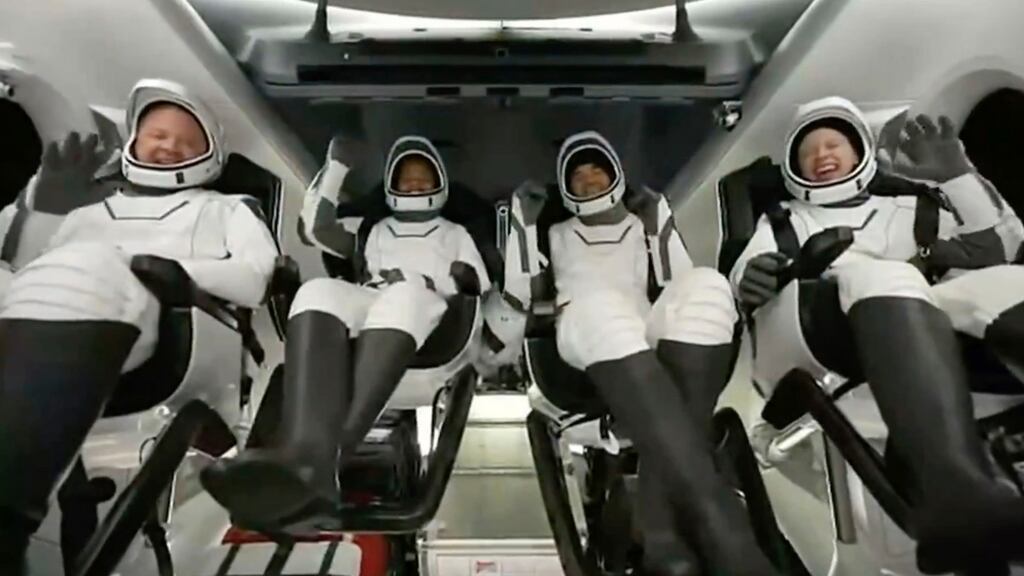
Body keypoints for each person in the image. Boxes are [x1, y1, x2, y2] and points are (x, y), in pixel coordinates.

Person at [731, 95, 1024, 574]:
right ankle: (955, 490)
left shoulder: (915, 203)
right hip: (831, 341)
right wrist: (750, 279)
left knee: (1009, 280)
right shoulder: (785, 221)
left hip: (936, 331)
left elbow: (1001, 248)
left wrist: (957, 176)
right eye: (808, 150)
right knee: (885, 275)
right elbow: (746, 278)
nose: (822, 155)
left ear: (859, 151)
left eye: (834, 144)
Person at [0, 78, 279, 575]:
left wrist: (153, 268)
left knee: (89, 266)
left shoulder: (227, 209)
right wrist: (44, 209)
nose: (170, 145)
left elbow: (255, 279)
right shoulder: (85, 212)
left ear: (210, 155)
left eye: (186, 140)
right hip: (57, 320)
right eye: (157, 134)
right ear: (133, 141)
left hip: (177, 329)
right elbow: (26, 275)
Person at [499, 130, 780, 576]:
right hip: (583, 324)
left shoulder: (638, 225)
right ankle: (720, 521)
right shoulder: (555, 232)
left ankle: (658, 526)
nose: (589, 179)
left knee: (708, 284)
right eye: (578, 175)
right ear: (566, 188)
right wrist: (523, 224)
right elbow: (523, 296)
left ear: (615, 174)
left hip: (643, 324)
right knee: (603, 306)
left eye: (597, 170)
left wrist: (658, 219)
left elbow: (676, 281)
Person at [201, 134, 492, 529]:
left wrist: (438, 279)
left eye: (423, 177)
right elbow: (317, 229)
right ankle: (303, 453)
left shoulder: (453, 233)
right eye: (406, 177)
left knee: (403, 297)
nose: (414, 184)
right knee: (318, 291)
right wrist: (336, 168)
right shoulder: (375, 230)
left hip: (429, 303)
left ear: (440, 183)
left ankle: (324, 462)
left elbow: (476, 281)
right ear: (390, 184)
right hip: (374, 295)